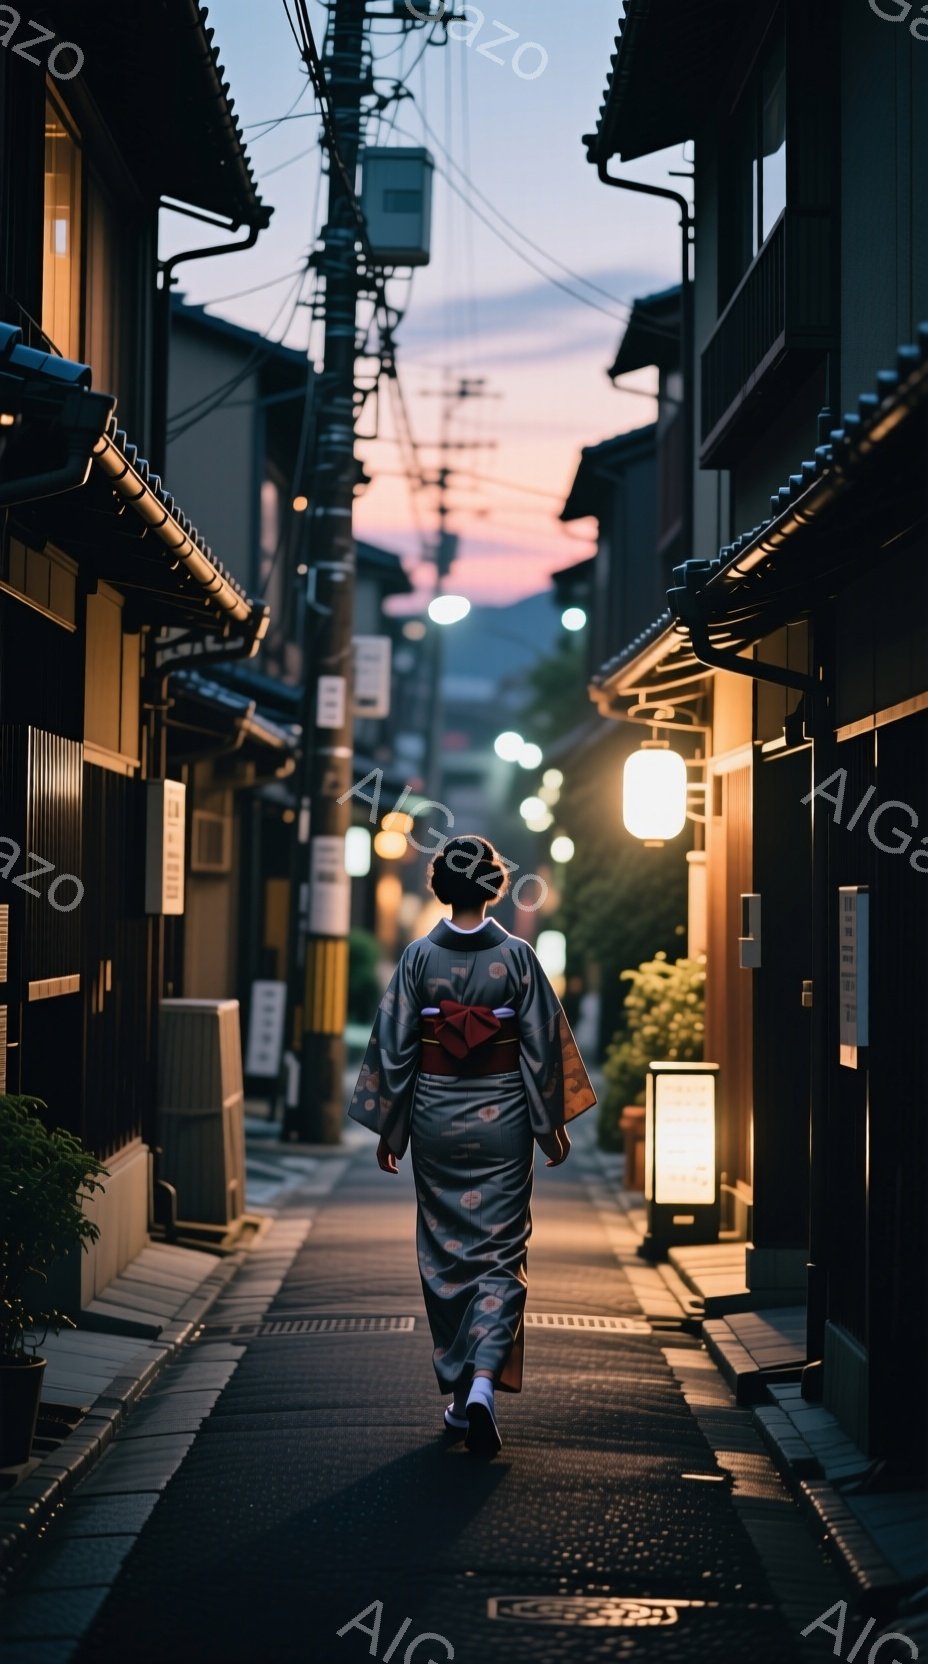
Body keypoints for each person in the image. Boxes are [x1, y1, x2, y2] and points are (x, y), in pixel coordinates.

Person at [348, 833, 596, 1457]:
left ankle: (463, 1394)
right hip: (504, 1117)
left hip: (434, 1114)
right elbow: (542, 1048)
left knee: (446, 1253)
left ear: (440, 887)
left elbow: (394, 1049)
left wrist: (391, 1128)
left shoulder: (417, 959)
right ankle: (481, 1386)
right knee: (501, 1251)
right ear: (493, 888)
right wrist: (551, 1126)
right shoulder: (518, 958)